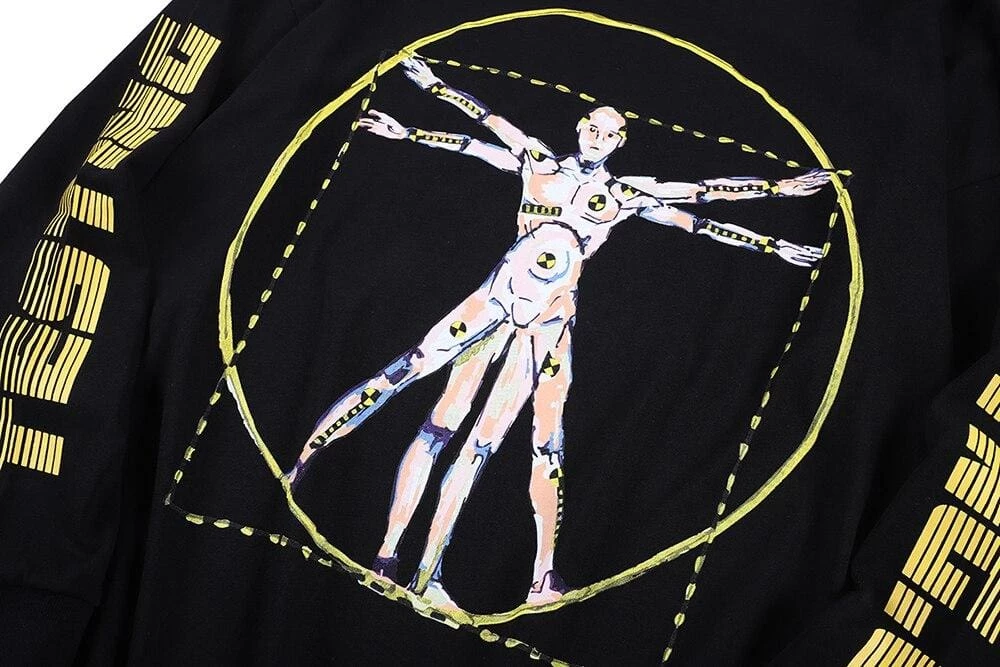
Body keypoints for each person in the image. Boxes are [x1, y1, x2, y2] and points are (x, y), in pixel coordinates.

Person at [283, 56, 831, 610]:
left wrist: (777, 208)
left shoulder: (624, 195)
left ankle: (439, 575)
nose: (598, 137)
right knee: (416, 390)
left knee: (488, 443)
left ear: (620, 142)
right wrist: (425, 103)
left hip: (547, 319)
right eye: (594, 127)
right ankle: (311, 476)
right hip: (495, 299)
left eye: (611, 133)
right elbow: (482, 131)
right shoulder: (538, 162)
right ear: (580, 127)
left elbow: (701, 201)